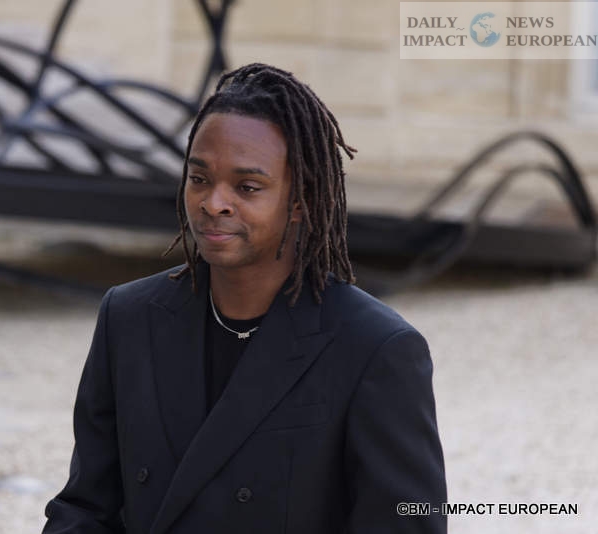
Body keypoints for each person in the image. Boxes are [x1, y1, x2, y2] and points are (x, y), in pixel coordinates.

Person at [42, 63, 447, 534]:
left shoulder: (375, 349)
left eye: (247, 187)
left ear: (301, 201)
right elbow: (85, 507)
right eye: (199, 179)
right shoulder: (128, 318)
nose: (214, 203)